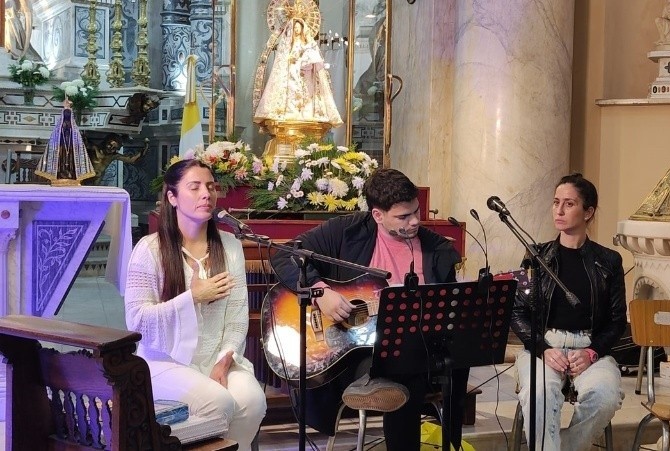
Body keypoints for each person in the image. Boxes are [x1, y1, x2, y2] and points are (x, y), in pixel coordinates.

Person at [270, 168, 467, 450]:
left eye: (416, 212)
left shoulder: (437, 251)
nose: (414, 222)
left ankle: (379, 382)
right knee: (402, 372)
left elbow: (447, 310)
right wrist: (319, 291)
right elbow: (285, 255)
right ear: (377, 215)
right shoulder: (347, 231)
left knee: (409, 364)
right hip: (349, 353)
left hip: (416, 352)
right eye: (403, 217)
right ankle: (372, 378)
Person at [124, 159, 267, 447]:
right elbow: (136, 320)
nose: (207, 193)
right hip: (164, 360)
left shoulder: (229, 246)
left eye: (211, 186)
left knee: (252, 401)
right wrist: (192, 298)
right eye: (195, 187)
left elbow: (237, 316)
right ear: (172, 197)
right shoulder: (149, 249)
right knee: (218, 403)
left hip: (217, 357)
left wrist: (224, 360)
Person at [510, 173, 626, 451]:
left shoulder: (609, 260)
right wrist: (541, 348)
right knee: (541, 394)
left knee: (605, 397)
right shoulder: (535, 256)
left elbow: (617, 320)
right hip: (544, 346)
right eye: (556, 202)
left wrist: (592, 352)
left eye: (569, 204)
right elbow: (517, 313)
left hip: (589, 348)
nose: (559, 210)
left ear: (589, 212)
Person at [254, 15, 343, 126]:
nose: (296, 29)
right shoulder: (289, 44)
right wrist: (292, 58)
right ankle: (291, 111)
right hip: (292, 70)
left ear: (302, 28)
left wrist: (305, 58)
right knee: (292, 90)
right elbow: (286, 57)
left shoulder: (308, 43)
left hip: (305, 71)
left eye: (298, 27)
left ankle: (305, 112)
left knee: (307, 91)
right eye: (294, 27)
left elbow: (313, 56)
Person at [35, 99, 96, 185]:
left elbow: (78, 142)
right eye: (65, 115)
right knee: (61, 162)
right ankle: (60, 174)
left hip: (71, 148)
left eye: (68, 115)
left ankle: (71, 174)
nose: (67, 118)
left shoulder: (74, 129)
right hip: (61, 148)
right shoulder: (59, 128)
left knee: (71, 161)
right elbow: (54, 140)